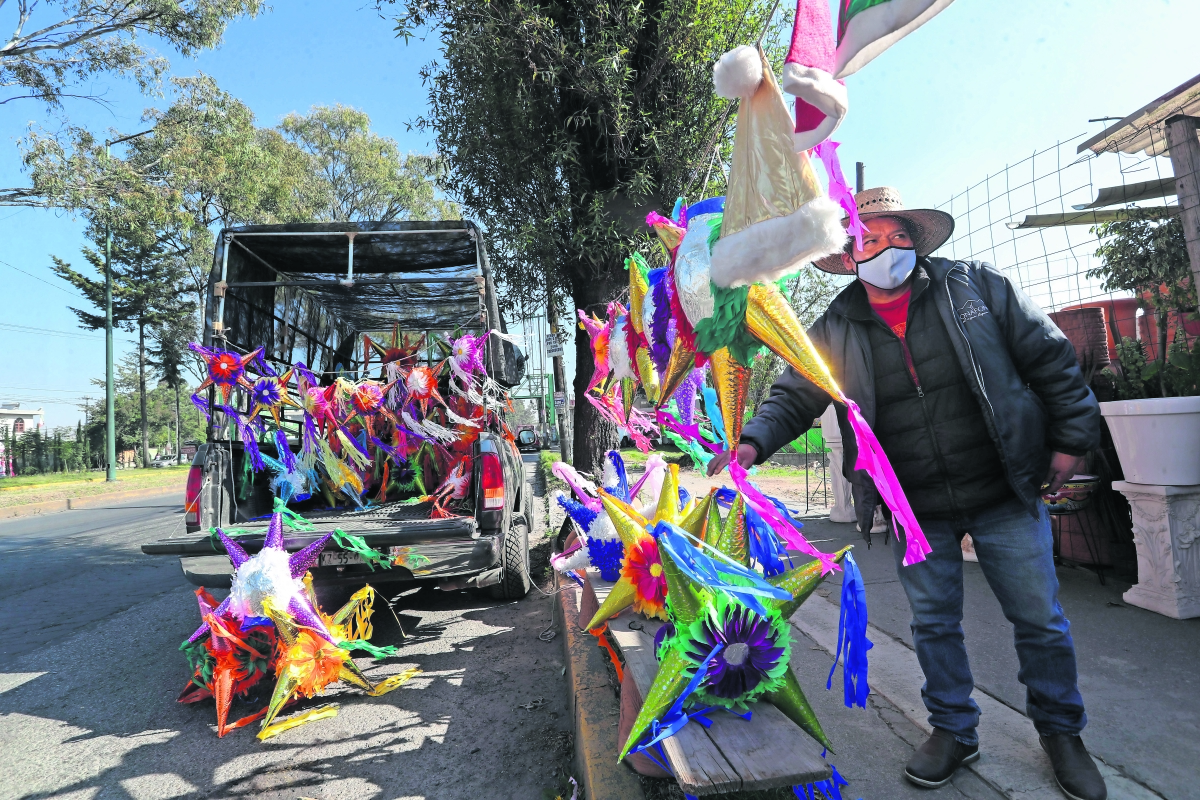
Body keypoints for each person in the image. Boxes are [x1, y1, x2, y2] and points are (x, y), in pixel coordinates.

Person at [707, 187, 1107, 800]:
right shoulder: (836, 324)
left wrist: (1071, 437)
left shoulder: (974, 288)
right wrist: (752, 443)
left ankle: (1061, 733)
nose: (884, 247)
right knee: (934, 624)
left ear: (914, 240)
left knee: (1040, 620)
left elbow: (1050, 357)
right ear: (848, 254)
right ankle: (953, 729)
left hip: (1001, 485)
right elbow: (794, 393)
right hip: (910, 505)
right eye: (868, 238)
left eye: (895, 235)